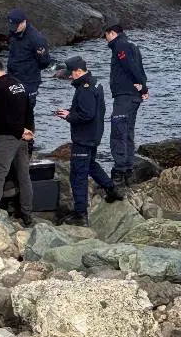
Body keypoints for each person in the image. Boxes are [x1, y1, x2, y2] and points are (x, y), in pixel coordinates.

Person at [54, 56, 123, 227]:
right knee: (91, 164)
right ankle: (111, 188)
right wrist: (69, 111)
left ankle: (80, 213)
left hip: (84, 138)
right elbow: (92, 110)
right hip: (94, 135)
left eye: (71, 74)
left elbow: (87, 114)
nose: (69, 77)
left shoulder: (84, 89)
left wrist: (69, 116)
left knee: (78, 175)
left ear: (78, 71)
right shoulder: (95, 84)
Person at [0, 58, 34, 226]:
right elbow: (29, 110)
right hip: (23, 136)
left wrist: (17, 131)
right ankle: (27, 214)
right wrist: (29, 130)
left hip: (8, 136)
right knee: (23, 176)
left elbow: (5, 116)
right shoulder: (19, 84)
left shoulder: (0, 88)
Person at [105, 24, 149, 185]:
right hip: (134, 97)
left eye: (106, 36)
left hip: (124, 95)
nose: (106, 40)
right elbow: (140, 68)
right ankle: (128, 171)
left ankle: (119, 170)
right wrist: (144, 87)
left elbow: (129, 66)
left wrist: (141, 85)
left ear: (113, 33)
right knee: (128, 132)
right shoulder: (133, 46)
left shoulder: (120, 45)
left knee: (118, 132)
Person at [6, 8, 52, 109]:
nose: (13, 29)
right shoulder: (13, 32)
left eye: (15, 26)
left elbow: (45, 62)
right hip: (13, 77)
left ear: (23, 22)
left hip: (29, 81)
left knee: (26, 111)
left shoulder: (37, 39)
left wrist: (30, 68)